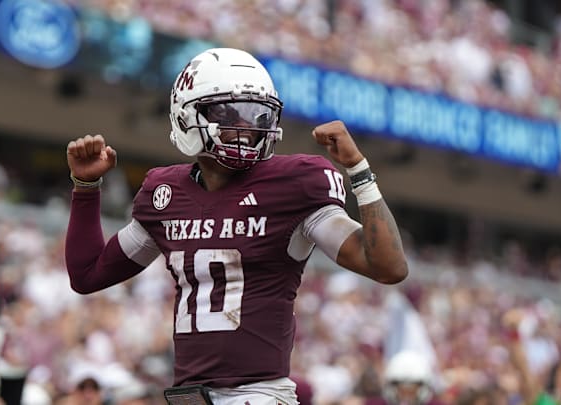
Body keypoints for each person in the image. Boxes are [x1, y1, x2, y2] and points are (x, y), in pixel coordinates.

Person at [65, 47, 408, 404]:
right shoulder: (164, 193)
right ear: (186, 115)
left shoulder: (294, 185)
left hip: (258, 395)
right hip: (189, 396)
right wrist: (86, 188)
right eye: (229, 113)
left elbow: (388, 267)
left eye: (257, 115)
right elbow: (88, 275)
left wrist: (359, 172)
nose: (245, 128)